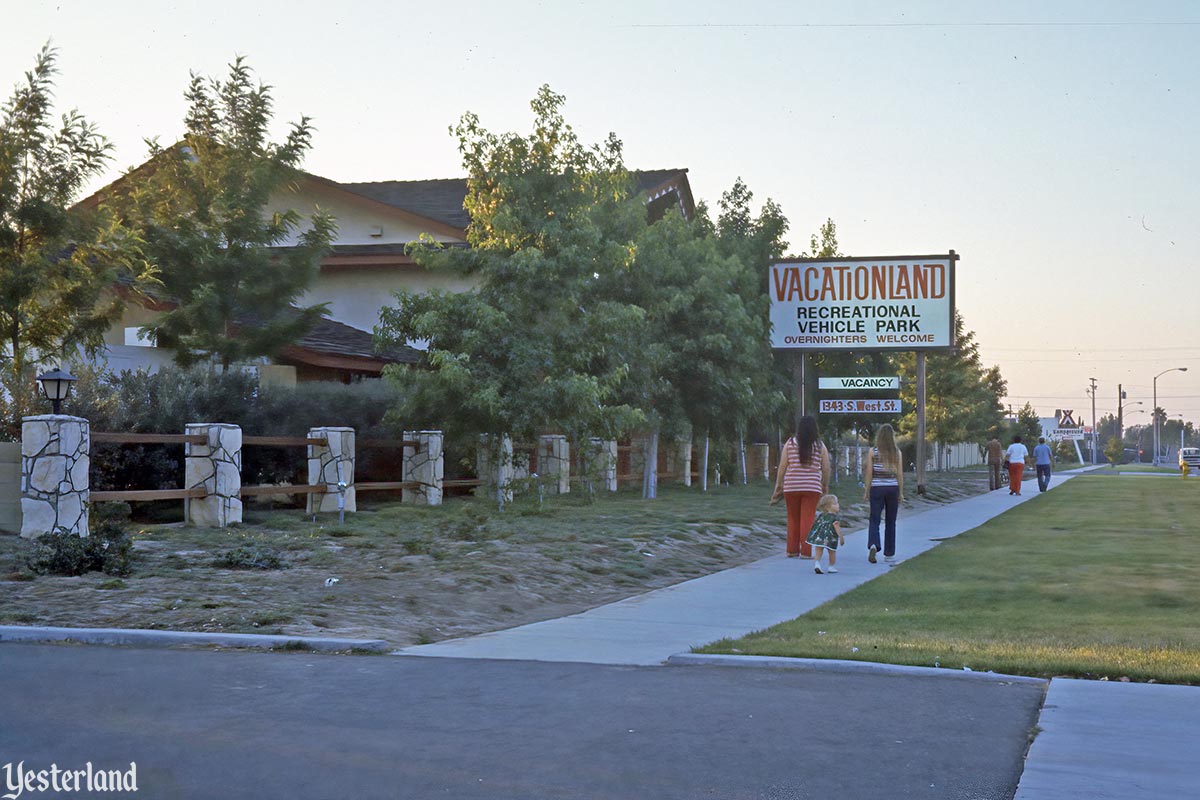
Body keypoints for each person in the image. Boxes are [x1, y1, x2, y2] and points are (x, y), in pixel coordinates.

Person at [770, 415, 830, 559]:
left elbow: (783, 466)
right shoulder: (820, 446)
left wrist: (779, 486)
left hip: (791, 487)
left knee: (793, 518)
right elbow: (826, 468)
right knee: (808, 518)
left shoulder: (790, 443)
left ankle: (792, 550)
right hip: (812, 488)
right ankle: (806, 552)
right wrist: (825, 486)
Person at [863, 423, 904, 565]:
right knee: (890, 521)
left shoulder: (872, 452)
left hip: (877, 488)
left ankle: (874, 544)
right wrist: (901, 492)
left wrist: (867, 490)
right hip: (892, 488)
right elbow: (899, 474)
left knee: (874, 518)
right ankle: (889, 554)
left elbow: (869, 473)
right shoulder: (897, 453)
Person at [807, 493, 844, 574]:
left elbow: (816, 525)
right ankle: (831, 566)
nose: (838, 505)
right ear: (828, 506)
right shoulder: (835, 517)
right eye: (835, 504)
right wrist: (841, 538)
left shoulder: (821, 515)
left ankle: (817, 563)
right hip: (831, 537)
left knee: (818, 549)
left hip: (819, 536)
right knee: (832, 551)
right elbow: (836, 527)